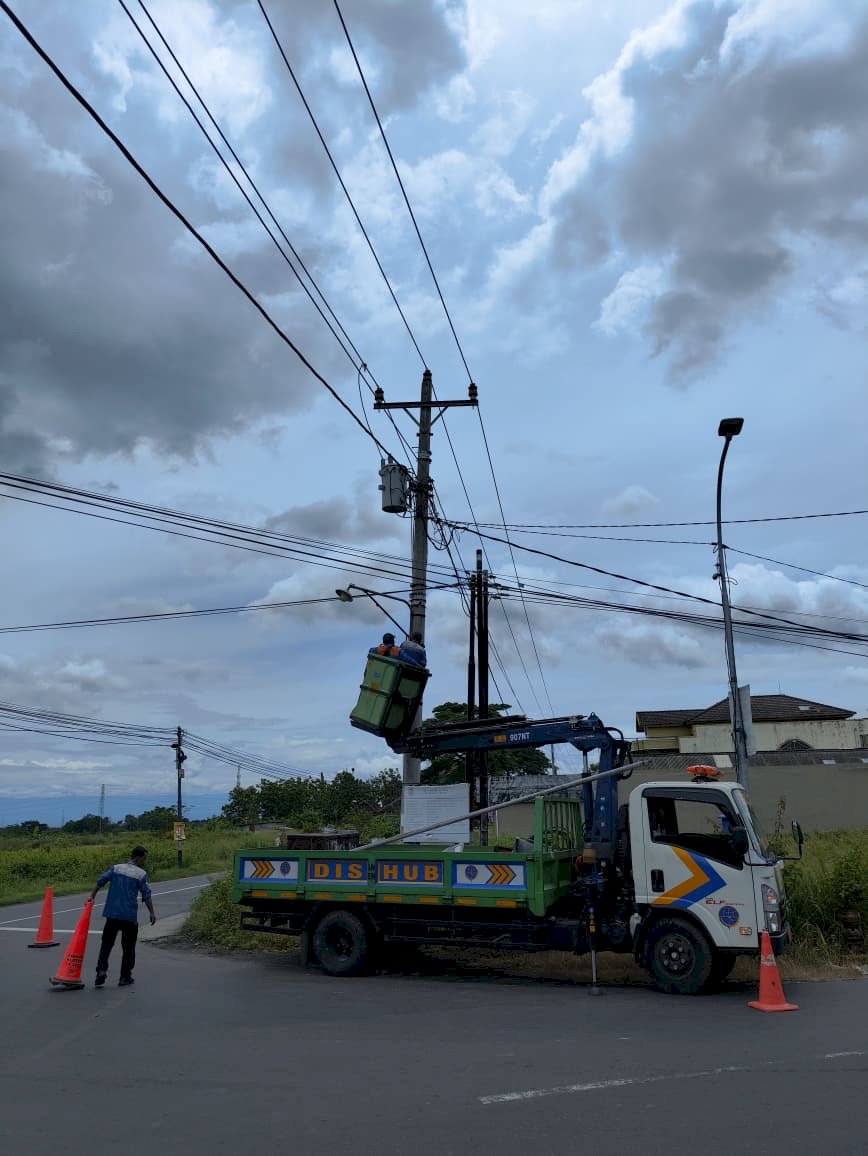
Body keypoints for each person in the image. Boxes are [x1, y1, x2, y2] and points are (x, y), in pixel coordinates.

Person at [89, 845, 156, 988]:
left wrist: (92, 896)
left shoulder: (116, 868)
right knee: (128, 948)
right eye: (144, 858)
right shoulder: (141, 874)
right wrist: (152, 912)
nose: (145, 861)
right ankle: (125, 977)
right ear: (137, 858)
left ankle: (101, 971)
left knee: (106, 945)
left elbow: (100, 881)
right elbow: (146, 894)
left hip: (112, 914)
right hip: (128, 917)